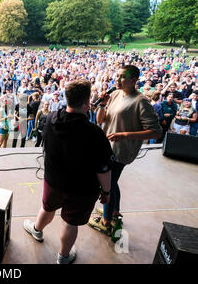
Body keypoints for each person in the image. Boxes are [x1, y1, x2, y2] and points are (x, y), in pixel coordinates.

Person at [23, 79, 113, 264]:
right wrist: (106, 192)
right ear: (87, 103)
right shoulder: (95, 134)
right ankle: (63, 257)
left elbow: (71, 118)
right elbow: (103, 169)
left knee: (47, 207)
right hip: (82, 189)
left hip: (54, 181)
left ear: (66, 97)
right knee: (70, 222)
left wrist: (90, 104)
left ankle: (37, 230)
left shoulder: (52, 118)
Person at [88, 65, 162, 235]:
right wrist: (103, 105)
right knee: (113, 181)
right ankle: (114, 211)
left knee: (108, 184)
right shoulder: (115, 94)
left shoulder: (140, 101)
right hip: (107, 147)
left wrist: (125, 135)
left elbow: (156, 131)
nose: (117, 79)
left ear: (134, 80)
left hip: (121, 150)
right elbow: (101, 120)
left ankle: (106, 221)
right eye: (117, 75)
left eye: (122, 76)